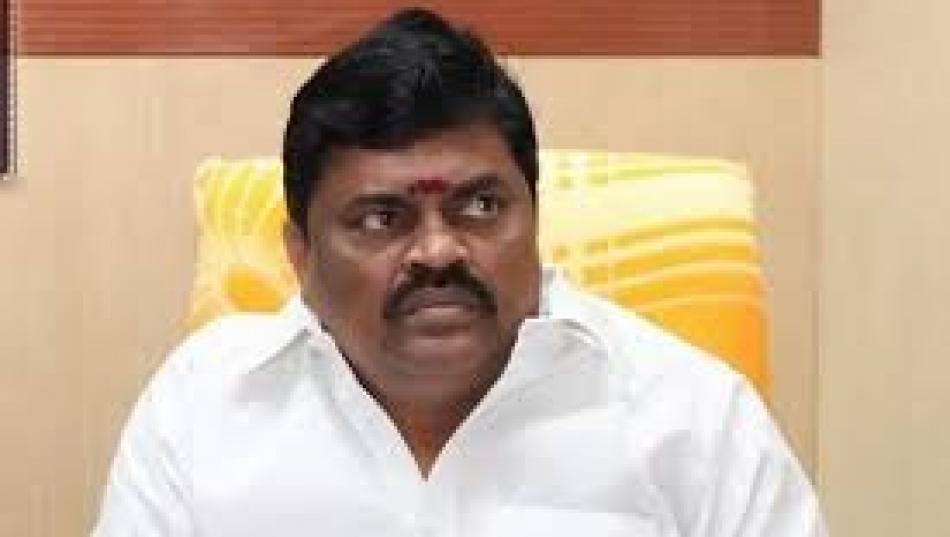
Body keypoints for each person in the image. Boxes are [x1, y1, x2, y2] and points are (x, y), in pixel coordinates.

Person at [93, 8, 826, 537]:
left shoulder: (694, 419)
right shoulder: (203, 409)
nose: (438, 251)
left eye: (479, 206)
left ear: (534, 217)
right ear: (300, 256)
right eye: (381, 217)